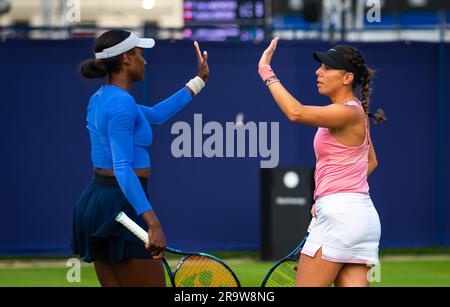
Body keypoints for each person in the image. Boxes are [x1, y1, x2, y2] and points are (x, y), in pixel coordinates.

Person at [71, 30, 209, 287]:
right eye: (140, 55)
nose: (144, 61)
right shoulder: (121, 103)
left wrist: (198, 81)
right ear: (126, 58)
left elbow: (156, 114)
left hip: (98, 203)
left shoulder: (103, 97)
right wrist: (152, 222)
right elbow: (122, 166)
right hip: (120, 203)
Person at [258, 38, 386, 287]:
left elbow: (296, 112)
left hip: (340, 218)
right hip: (363, 220)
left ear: (347, 78)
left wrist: (266, 70)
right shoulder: (356, 112)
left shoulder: (348, 112)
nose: (319, 72)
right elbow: (371, 161)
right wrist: (331, 196)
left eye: (328, 68)